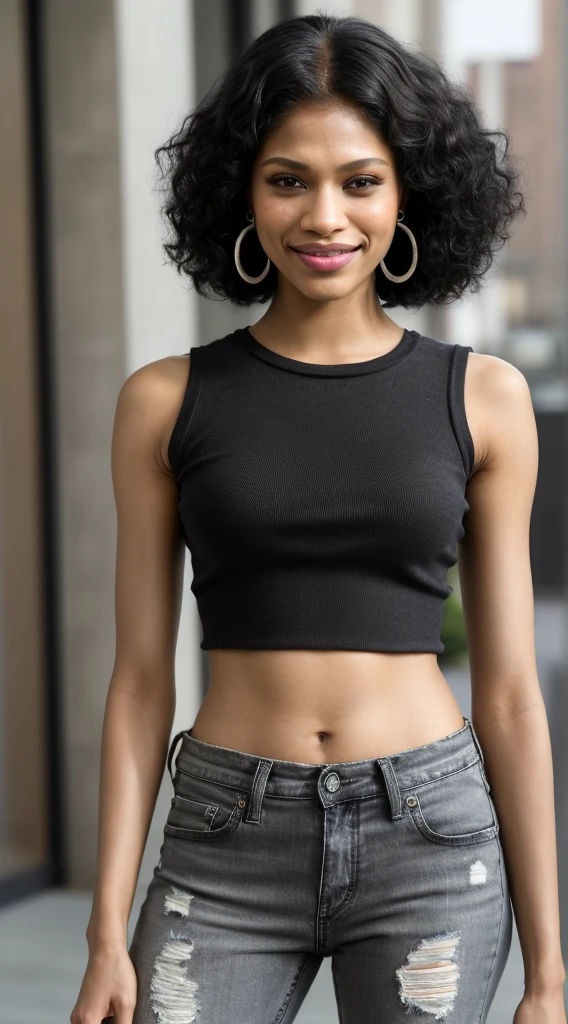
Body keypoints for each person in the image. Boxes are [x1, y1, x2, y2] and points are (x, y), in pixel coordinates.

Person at [70, 12, 566, 1024]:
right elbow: (137, 680)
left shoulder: (484, 399)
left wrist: (551, 971)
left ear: (407, 194)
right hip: (223, 838)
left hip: (428, 840)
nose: (324, 217)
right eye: (288, 179)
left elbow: (512, 694)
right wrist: (103, 930)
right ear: (242, 194)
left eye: (360, 181)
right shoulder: (165, 401)